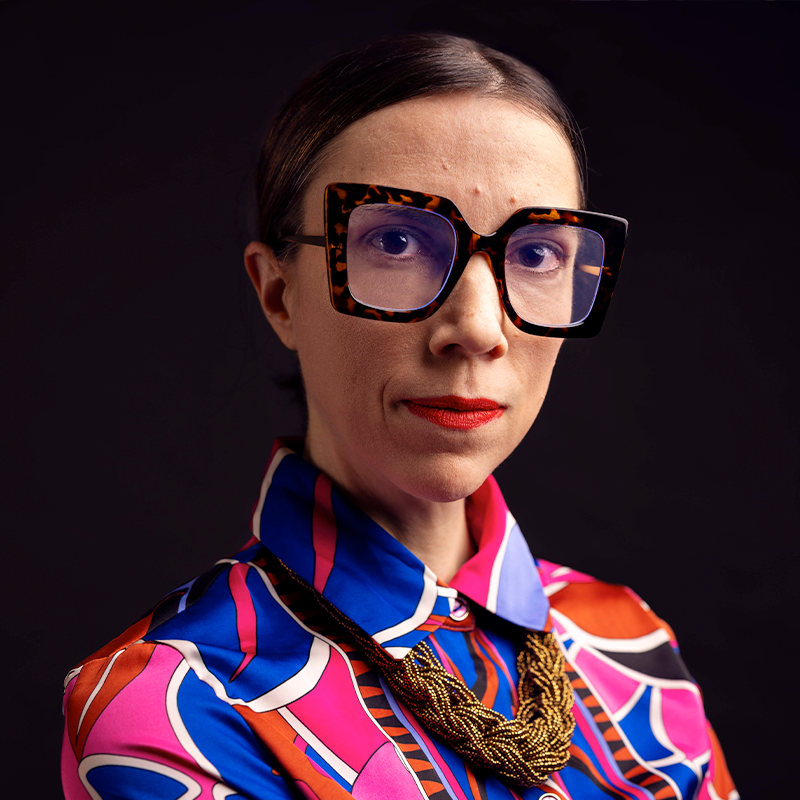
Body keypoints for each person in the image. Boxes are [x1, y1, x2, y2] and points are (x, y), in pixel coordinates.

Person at [61, 33, 737, 800]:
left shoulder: (628, 642)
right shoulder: (173, 705)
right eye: (395, 239)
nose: (479, 327)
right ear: (279, 292)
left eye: (539, 254)